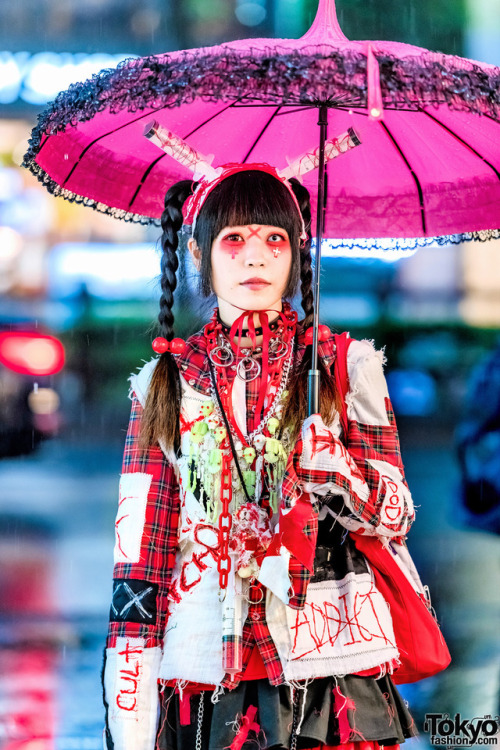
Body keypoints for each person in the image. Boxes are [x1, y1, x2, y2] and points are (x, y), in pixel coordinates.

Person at [102, 161, 421, 750]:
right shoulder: (165, 382)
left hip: (328, 658)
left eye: (275, 239)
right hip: (204, 658)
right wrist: (131, 699)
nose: (255, 258)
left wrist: (343, 476)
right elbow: (140, 548)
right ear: (198, 255)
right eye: (234, 240)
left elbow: (397, 514)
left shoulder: (346, 367)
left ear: (297, 251)